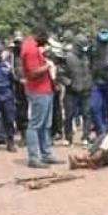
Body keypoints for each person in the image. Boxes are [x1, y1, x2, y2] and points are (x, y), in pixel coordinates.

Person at [21, 29, 63, 168]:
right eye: (45, 41)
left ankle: (46, 154)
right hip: (38, 91)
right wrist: (48, 66)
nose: (45, 45)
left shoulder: (32, 46)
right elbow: (32, 73)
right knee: (35, 124)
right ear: (40, 37)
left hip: (45, 89)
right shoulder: (31, 49)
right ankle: (34, 157)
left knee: (46, 125)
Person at [61, 34, 93, 146]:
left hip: (86, 89)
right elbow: (60, 74)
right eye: (82, 45)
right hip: (72, 91)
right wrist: (69, 83)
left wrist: (90, 82)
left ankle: (86, 136)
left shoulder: (87, 57)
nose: (84, 48)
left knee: (87, 114)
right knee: (69, 114)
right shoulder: (68, 57)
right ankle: (68, 137)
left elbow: (91, 70)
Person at [89, 28, 108, 135]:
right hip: (95, 81)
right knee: (94, 107)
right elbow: (87, 62)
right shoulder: (92, 47)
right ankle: (100, 130)